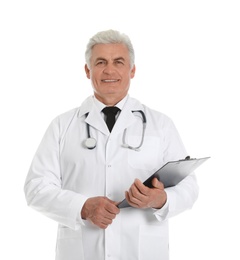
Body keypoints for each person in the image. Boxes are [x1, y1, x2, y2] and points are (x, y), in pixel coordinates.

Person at [24, 29, 199, 260]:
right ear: (88, 70)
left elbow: (189, 188)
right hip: (83, 251)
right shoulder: (61, 125)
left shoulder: (161, 125)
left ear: (132, 70)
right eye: (100, 62)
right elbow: (36, 188)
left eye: (118, 62)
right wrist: (82, 207)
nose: (109, 70)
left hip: (143, 251)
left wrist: (161, 199)